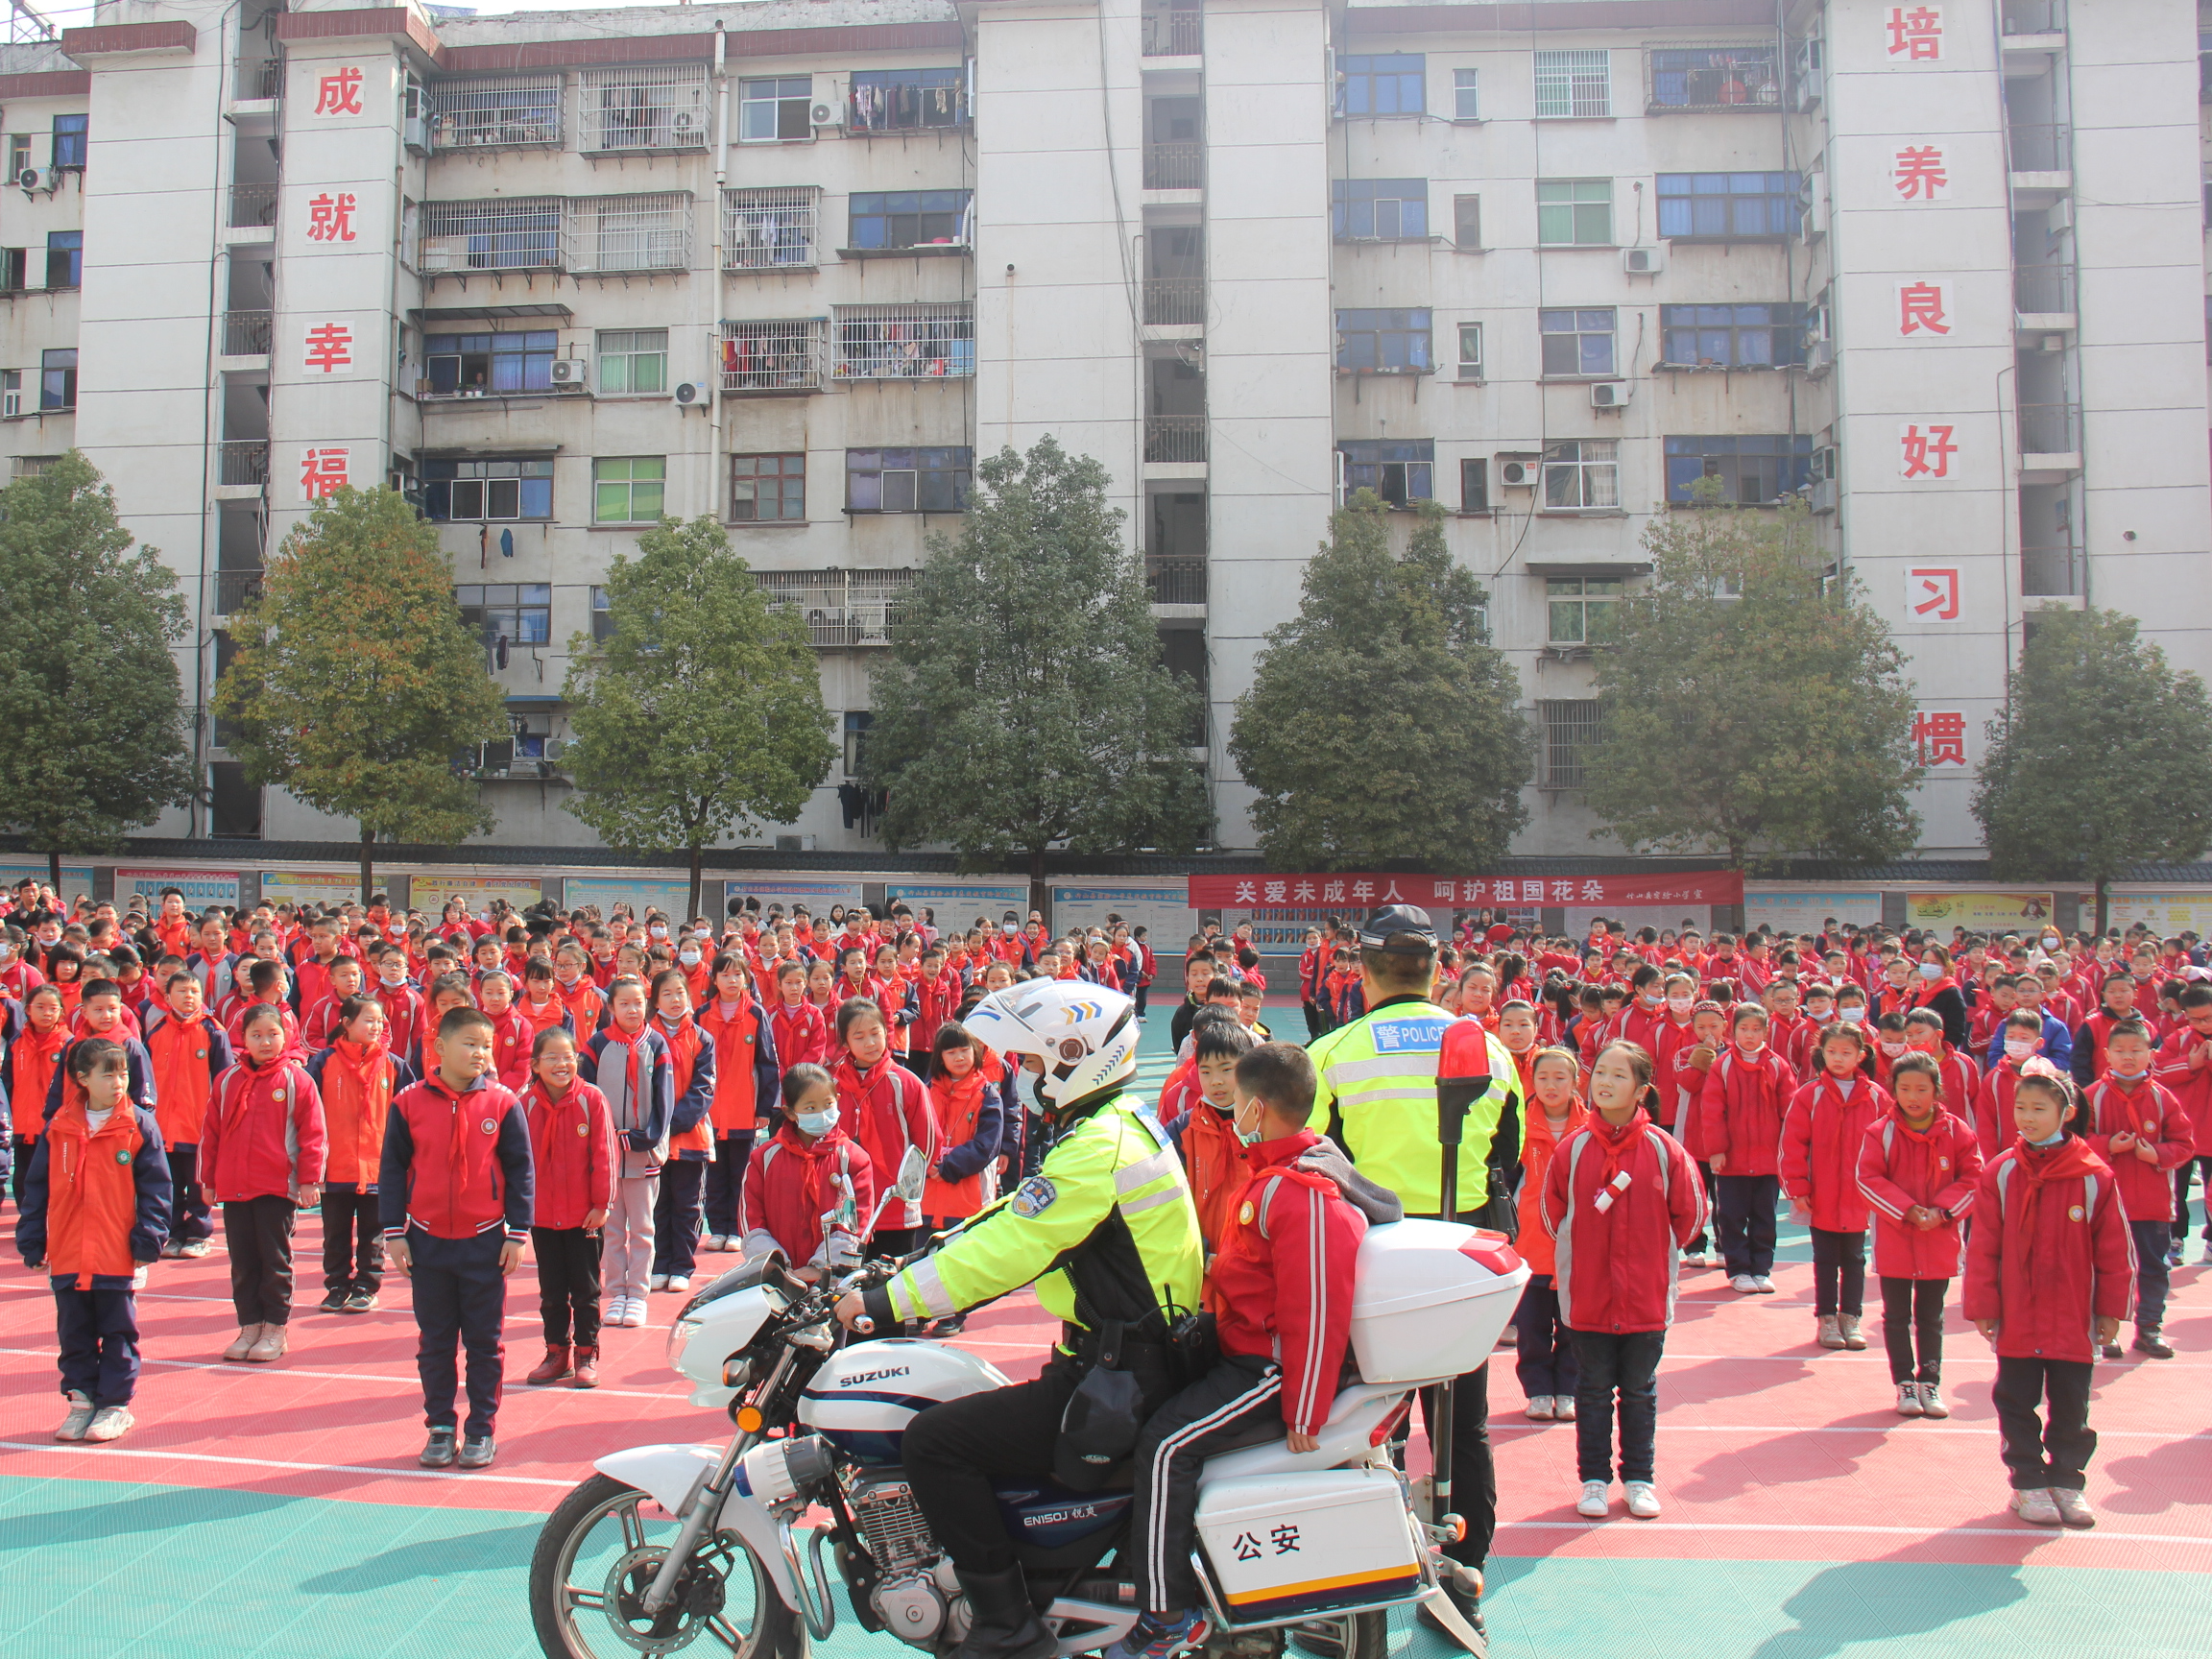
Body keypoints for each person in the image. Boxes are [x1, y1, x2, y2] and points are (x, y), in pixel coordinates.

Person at [837, 983, 1201, 1659]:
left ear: (1075, 1057)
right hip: (1125, 1359)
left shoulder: (1097, 1148)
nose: (1026, 1074)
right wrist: (912, 1263)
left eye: (1035, 1061)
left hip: (1118, 1375)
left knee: (932, 1442)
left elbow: (1013, 1249)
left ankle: (1007, 1625)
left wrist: (886, 1304)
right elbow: (1014, 1213)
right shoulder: (1115, 1123)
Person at [1105, 1043, 1367, 1659]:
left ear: (1259, 1109)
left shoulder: (1300, 1191)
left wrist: (1305, 1409)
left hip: (1266, 1368)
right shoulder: (1272, 1173)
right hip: (1242, 1349)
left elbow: (1316, 1310)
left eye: (1239, 1097)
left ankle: (1165, 1614)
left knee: (1165, 1447)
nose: (1227, 1104)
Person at [1306, 905, 1517, 1632]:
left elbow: (1316, 1164)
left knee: (1368, 1421)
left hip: (1373, 1257)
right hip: (1463, 1257)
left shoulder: (1334, 1052)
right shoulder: (1491, 1051)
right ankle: (1465, 1577)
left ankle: (1364, 1586)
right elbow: (1508, 1160)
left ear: (1363, 972)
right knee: (1465, 1421)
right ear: (1437, 972)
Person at [1542, 1040, 1706, 1522]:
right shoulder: (1573, 1148)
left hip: (1645, 1297)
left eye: (1619, 1075)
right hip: (1587, 1294)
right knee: (1592, 1390)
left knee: (1639, 1391)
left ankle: (1639, 1478)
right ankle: (1593, 1480)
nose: (1605, 1083)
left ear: (1641, 1089)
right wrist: (1580, 1247)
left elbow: (1692, 1214)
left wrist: (1656, 1252)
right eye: (1600, 1073)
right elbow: (1552, 1213)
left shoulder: (1663, 1149)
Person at [1962, 1063, 2132, 1528]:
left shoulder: (2094, 1176)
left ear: (2066, 1112)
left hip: (2074, 1317)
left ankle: (2066, 1481)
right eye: (2020, 1107)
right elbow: (1983, 1245)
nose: (2027, 1117)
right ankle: (2028, 1482)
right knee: (2015, 1399)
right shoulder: (2002, 1172)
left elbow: (2114, 1249)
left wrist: (2111, 1310)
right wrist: (1984, 1305)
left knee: (2072, 1405)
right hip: (2018, 1314)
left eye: (2039, 1108)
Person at [381, 1004, 533, 1470]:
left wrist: (517, 1233)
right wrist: (394, 1232)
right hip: (426, 1242)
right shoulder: (408, 1102)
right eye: (470, 1043)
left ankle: (481, 1428)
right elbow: (392, 1170)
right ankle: (440, 1428)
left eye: (486, 1045)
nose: (480, 1053)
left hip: (485, 1242)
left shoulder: (503, 1103)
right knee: (436, 1342)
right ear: (440, 1047)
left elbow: (520, 1170)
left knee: (485, 1343)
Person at [17, 1036, 172, 1444]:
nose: (119, 1082)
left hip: (115, 1252)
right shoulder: (59, 1126)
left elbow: (157, 1189)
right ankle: (81, 1401)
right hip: (68, 1250)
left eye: (123, 1074)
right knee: (75, 1332)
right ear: (82, 1078)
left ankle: (115, 1405)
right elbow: (37, 1188)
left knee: (119, 1330)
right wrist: (32, 1237)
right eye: (108, 1075)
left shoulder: (138, 1124)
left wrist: (149, 1237)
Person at [1856, 1052, 1982, 1418]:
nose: (1913, 1096)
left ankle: (1930, 1381)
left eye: (1922, 1089)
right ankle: (1904, 1385)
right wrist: (1908, 1211)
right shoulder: (1880, 1132)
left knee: (1931, 1316)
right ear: (1894, 1089)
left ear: (1936, 1090)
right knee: (1896, 1315)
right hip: (1896, 1237)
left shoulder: (1958, 1132)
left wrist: (1942, 1212)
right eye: (1905, 1088)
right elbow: (1868, 1179)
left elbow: (1974, 1178)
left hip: (1938, 1237)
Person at [202, 1003, 326, 1365]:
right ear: (243, 1038)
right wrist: (207, 1179)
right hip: (234, 1185)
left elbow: (313, 1134)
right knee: (243, 1261)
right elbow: (211, 1133)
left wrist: (309, 1179)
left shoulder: (297, 1080)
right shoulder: (227, 1080)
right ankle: (250, 1326)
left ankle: (275, 1328)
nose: (265, 1042)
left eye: (273, 1034)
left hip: (276, 1185)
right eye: (256, 1035)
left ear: (286, 1036)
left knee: (274, 1260)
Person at [2080, 1019, 2190, 1359]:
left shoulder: (2163, 1098)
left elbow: (2185, 1144)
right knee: (2102, 1268)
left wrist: (2156, 1154)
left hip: (2151, 1203)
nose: (2128, 1057)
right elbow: (2074, 1143)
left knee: (2153, 1267)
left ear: (2151, 1054)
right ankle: (2104, 1330)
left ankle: (2149, 1329)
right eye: (2120, 1050)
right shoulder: (2091, 1096)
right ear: (2107, 1054)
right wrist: (2107, 1146)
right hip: (2103, 1202)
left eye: (2137, 1050)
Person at [1781, 1023, 1890, 1351]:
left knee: (1855, 1258)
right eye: (1832, 1052)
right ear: (1821, 1053)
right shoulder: (1809, 1095)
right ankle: (1826, 1318)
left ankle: (1850, 1317)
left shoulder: (1876, 1096)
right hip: (1822, 1194)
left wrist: (1882, 1190)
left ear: (1861, 1055)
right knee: (1825, 1258)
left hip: (1859, 1196)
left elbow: (1889, 1145)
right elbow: (1792, 1144)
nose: (1838, 1058)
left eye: (1846, 1052)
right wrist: (1798, 1188)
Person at [303, 996, 412, 1313]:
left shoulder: (394, 1065)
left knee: (373, 1233)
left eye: (380, 1021)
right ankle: (337, 1285)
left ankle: (366, 1285)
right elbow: (307, 1114)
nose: (376, 1026)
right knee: (335, 1233)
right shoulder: (323, 1062)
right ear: (347, 1024)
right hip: (335, 1165)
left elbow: (412, 1114)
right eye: (369, 1020)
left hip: (378, 1167)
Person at [522, 1026, 616, 1388]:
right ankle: (556, 1353)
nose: (562, 1064)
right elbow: (518, 1162)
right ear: (535, 1064)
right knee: (551, 1291)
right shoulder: (525, 1104)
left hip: (584, 1216)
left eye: (568, 1056)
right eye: (552, 1057)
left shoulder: (591, 1098)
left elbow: (604, 1154)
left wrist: (601, 1203)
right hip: (543, 1216)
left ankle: (586, 1354)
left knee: (586, 1290)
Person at [580, 975, 673, 1331]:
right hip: (606, 1154)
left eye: (638, 1003)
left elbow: (664, 1100)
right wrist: (599, 1140)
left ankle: (638, 1294)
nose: (632, 1010)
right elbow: (586, 1096)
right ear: (611, 1007)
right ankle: (617, 1291)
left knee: (644, 1227)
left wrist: (647, 1139)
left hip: (642, 1154)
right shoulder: (597, 1045)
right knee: (613, 1228)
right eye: (624, 1003)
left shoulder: (657, 1044)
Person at [1697, 1004, 1797, 1295]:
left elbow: (1790, 1113)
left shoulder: (1778, 1065)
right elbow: (1713, 1111)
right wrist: (1717, 1149)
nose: (1750, 1035)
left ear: (1765, 1031)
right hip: (1733, 1160)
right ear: (1733, 1031)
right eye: (1744, 1029)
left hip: (1768, 1159)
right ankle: (1739, 1269)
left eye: (1756, 1029)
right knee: (1732, 1217)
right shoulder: (1723, 1065)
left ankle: (1761, 1269)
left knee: (1765, 1217)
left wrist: (1788, 1152)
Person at [740, 1062, 875, 1270]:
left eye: (828, 1104)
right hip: (777, 1276)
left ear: (838, 1100)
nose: (822, 1113)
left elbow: (857, 1223)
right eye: (810, 1108)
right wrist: (777, 1267)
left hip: (833, 1277)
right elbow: (751, 1221)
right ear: (790, 1112)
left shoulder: (854, 1159)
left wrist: (820, 1268)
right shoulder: (763, 1159)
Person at [1514, 1046, 1587, 1422]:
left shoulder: (1592, 1128)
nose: (1551, 1085)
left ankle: (1568, 1390)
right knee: (1532, 1327)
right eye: (1543, 1077)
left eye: (1561, 1077)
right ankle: (1539, 1391)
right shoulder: (1518, 1126)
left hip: (1578, 1248)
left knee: (1574, 1327)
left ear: (1576, 1082)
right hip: (1531, 1244)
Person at [831, 998, 934, 1258]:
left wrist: (908, 1188)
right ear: (845, 1042)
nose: (870, 1043)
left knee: (891, 1278)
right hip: (845, 1210)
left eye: (875, 1033)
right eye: (859, 1037)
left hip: (895, 1208)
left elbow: (927, 1144)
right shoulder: (833, 1086)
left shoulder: (906, 1083)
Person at [140, 970, 232, 1261]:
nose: (188, 996)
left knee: (198, 1184)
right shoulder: (156, 1032)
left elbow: (225, 1080)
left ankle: (199, 1234)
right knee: (168, 1183)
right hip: (162, 1126)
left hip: (198, 1124)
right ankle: (174, 1232)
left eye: (194, 991)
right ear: (168, 997)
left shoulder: (213, 1031)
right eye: (181, 991)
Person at [699, 953, 780, 1253]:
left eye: (738, 975)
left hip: (745, 1110)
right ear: (715, 979)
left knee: (741, 1174)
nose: (732, 980)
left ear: (746, 978)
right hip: (710, 1112)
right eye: (725, 975)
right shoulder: (702, 1015)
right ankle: (717, 1227)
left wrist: (764, 1109)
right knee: (714, 1173)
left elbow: (768, 1064)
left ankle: (736, 1228)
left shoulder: (756, 1014)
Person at [648, 970, 716, 1294]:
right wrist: (656, 1126)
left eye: (680, 993)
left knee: (688, 1205)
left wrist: (673, 1123)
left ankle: (682, 1266)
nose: (675, 1000)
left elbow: (704, 1088)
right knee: (658, 1205)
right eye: (667, 994)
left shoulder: (703, 1038)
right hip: (652, 1139)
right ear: (655, 1000)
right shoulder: (646, 1037)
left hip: (691, 1137)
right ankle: (660, 1263)